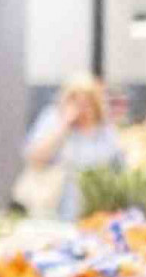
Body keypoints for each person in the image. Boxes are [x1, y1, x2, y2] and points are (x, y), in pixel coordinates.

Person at [23, 72, 125, 221]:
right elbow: (35, 158)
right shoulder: (53, 119)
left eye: (87, 102)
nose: (82, 108)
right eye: (75, 101)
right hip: (54, 212)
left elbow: (119, 168)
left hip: (97, 215)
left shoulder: (105, 130)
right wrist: (64, 124)